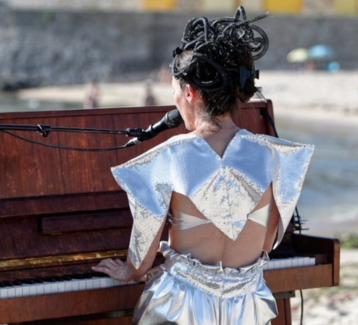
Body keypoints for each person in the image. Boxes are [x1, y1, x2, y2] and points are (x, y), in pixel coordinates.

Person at [92, 7, 313, 325]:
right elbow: (266, 243)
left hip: (182, 310)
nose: (175, 103)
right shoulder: (274, 155)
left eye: (175, 94)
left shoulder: (168, 157)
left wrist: (128, 270)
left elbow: (141, 259)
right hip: (245, 308)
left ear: (190, 92)